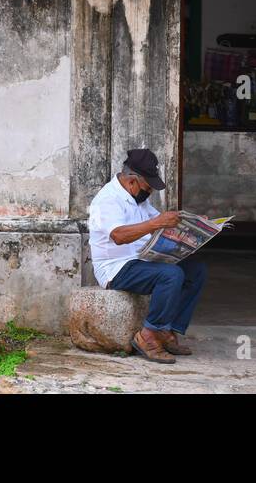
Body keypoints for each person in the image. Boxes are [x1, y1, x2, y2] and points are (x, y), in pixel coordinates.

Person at [87, 148, 208, 364]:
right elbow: (118, 235)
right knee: (170, 275)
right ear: (132, 181)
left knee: (196, 270)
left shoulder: (139, 198)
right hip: (116, 268)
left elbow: (159, 224)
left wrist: (194, 226)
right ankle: (149, 335)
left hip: (141, 259)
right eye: (147, 187)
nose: (149, 192)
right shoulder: (107, 200)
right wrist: (156, 223)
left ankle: (168, 331)